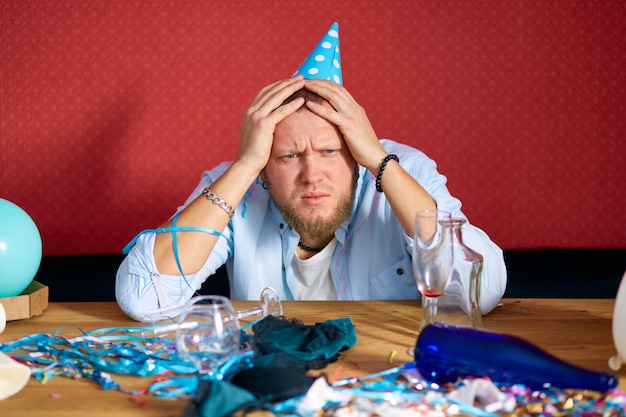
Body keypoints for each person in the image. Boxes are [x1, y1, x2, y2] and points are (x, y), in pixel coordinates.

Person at [116, 23, 507, 321]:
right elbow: (143, 299)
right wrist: (247, 165)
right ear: (265, 169)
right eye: (288, 157)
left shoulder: (401, 172)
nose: (311, 174)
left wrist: (378, 160)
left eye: (329, 150)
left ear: (355, 153)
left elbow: (481, 292)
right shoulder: (238, 185)